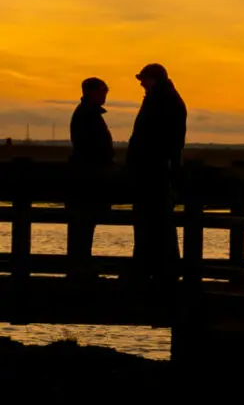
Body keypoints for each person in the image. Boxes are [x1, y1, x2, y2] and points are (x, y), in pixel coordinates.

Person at [127, 64, 187, 287]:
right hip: (155, 168)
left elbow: (160, 138)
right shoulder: (163, 98)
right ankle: (157, 268)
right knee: (155, 221)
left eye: (144, 79)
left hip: (154, 169)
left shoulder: (162, 100)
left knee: (154, 221)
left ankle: (156, 269)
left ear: (154, 79)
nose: (141, 83)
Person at [68, 77, 115, 263]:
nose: (105, 94)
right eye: (103, 90)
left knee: (83, 228)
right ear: (92, 92)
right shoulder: (88, 115)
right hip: (89, 180)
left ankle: (80, 267)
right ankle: (80, 268)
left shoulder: (86, 113)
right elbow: (91, 147)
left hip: (86, 179)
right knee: (84, 227)